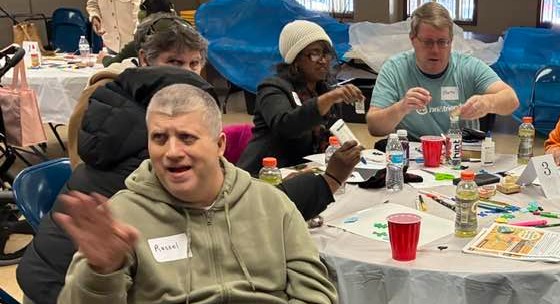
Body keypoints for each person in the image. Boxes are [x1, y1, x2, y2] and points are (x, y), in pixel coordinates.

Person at [55, 84, 338, 303]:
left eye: (186, 138)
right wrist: (101, 273)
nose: (172, 152)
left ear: (219, 145)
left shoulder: (271, 204)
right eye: (159, 138)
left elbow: (315, 293)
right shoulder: (121, 219)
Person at [67, 13, 205, 168]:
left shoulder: (197, 95)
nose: (187, 73)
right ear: (144, 59)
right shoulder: (103, 91)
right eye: (175, 62)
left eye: (194, 64)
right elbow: (79, 160)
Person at [366, 2, 519, 139]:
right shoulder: (394, 69)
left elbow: (511, 100)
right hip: (414, 152)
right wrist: (401, 107)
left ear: (451, 41)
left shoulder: (468, 66)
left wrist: (488, 103)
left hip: (460, 151)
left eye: (442, 42)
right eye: (427, 42)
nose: (435, 50)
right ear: (413, 39)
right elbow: (374, 127)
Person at [237, 20, 364, 175]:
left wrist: (352, 149)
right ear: (295, 59)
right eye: (315, 54)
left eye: (326, 53)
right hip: (267, 176)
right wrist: (327, 99)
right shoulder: (273, 87)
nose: (323, 60)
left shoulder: (323, 90)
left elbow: (334, 134)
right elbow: (286, 125)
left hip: (307, 173)